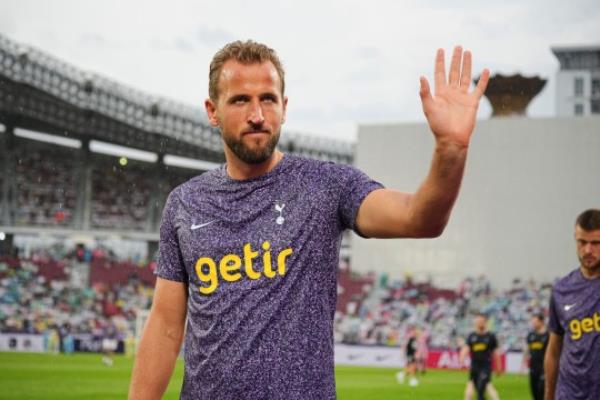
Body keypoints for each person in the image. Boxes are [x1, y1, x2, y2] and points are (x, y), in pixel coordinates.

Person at [129, 40, 490, 399]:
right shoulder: (185, 203)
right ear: (212, 110)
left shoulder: (327, 186)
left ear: (284, 107)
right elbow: (164, 326)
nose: (257, 114)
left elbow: (419, 218)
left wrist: (450, 149)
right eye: (240, 100)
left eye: (268, 98)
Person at [545, 209, 600, 400]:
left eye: (595, 243)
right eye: (582, 242)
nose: (588, 250)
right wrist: (548, 396)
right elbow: (553, 351)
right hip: (569, 395)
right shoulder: (561, 290)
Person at [460, 313, 502, 400]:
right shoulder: (472, 336)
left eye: (482, 321)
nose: (480, 323)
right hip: (474, 366)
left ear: (486, 322)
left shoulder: (490, 336)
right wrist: (462, 358)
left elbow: (496, 353)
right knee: (472, 389)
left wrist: (498, 367)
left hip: (485, 366)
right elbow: (466, 348)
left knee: (482, 386)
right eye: (478, 321)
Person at [522, 313, 548, 400]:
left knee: (542, 391)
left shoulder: (548, 335)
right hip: (533, 368)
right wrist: (523, 365)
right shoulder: (531, 335)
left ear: (541, 322)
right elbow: (527, 350)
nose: (533, 323)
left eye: (535, 321)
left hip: (544, 369)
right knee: (534, 392)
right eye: (532, 321)